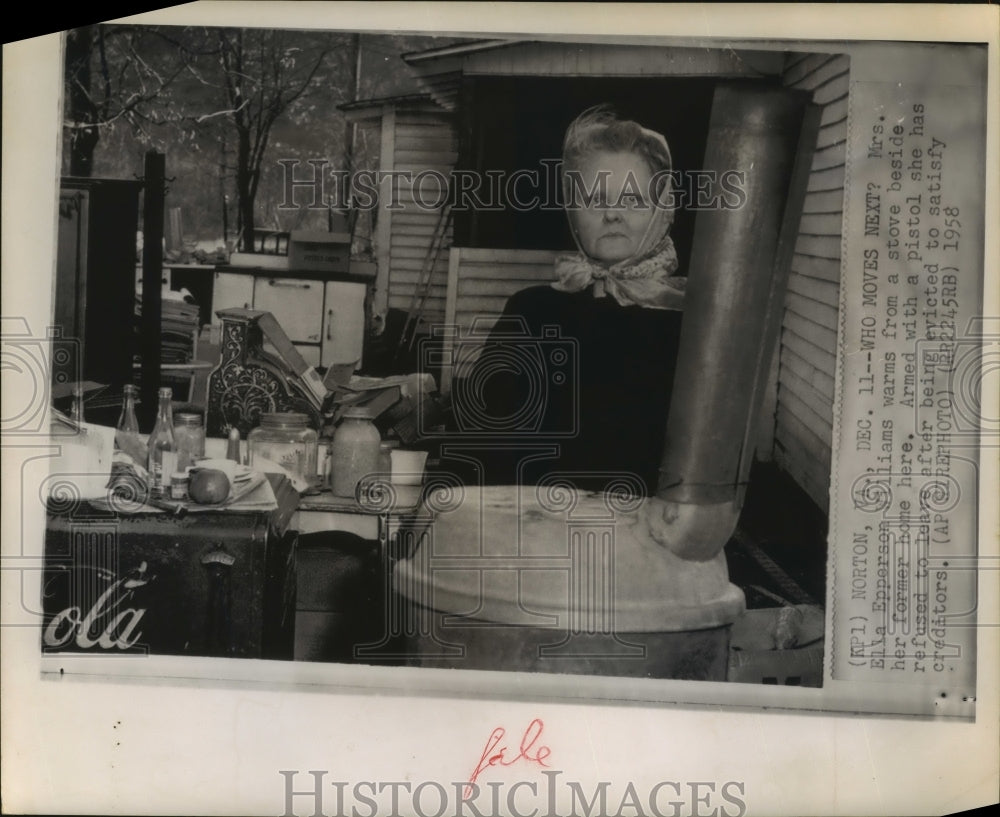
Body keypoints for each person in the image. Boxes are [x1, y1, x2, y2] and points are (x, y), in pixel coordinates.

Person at [454, 106, 687, 494]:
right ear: (572, 212)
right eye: (595, 200)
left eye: (631, 199)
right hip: (536, 534)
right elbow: (483, 446)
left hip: (648, 541)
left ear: (662, 207)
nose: (612, 214)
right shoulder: (529, 313)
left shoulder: (690, 320)